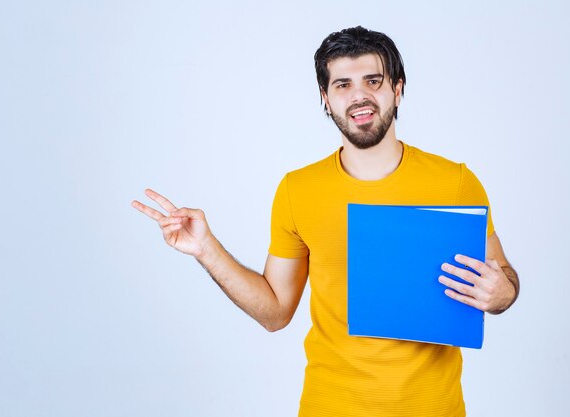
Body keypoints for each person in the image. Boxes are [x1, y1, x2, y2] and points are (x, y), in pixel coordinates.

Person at [132, 26, 519, 417]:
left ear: (397, 89)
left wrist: (503, 293)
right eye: (342, 85)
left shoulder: (454, 182)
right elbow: (276, 312)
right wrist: (206, 250)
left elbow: (502, 276)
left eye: (373, 80)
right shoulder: (297, 190)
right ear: (326, 99)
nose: (358, 96)